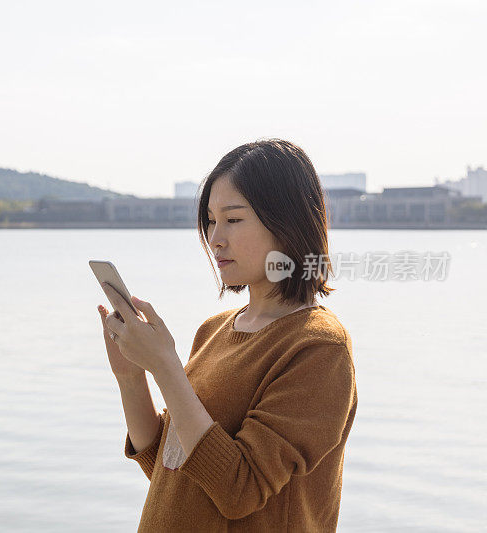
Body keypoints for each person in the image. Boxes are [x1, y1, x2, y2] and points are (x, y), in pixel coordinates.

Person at [97, 138, 357, 532]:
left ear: (287, 224)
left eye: (233, 220)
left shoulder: (319, 347)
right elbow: (170, 468)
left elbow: (239, 490)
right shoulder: (213, 331)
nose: (215, 238)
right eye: (211, 220)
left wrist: (165, 365)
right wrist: (132, 376)